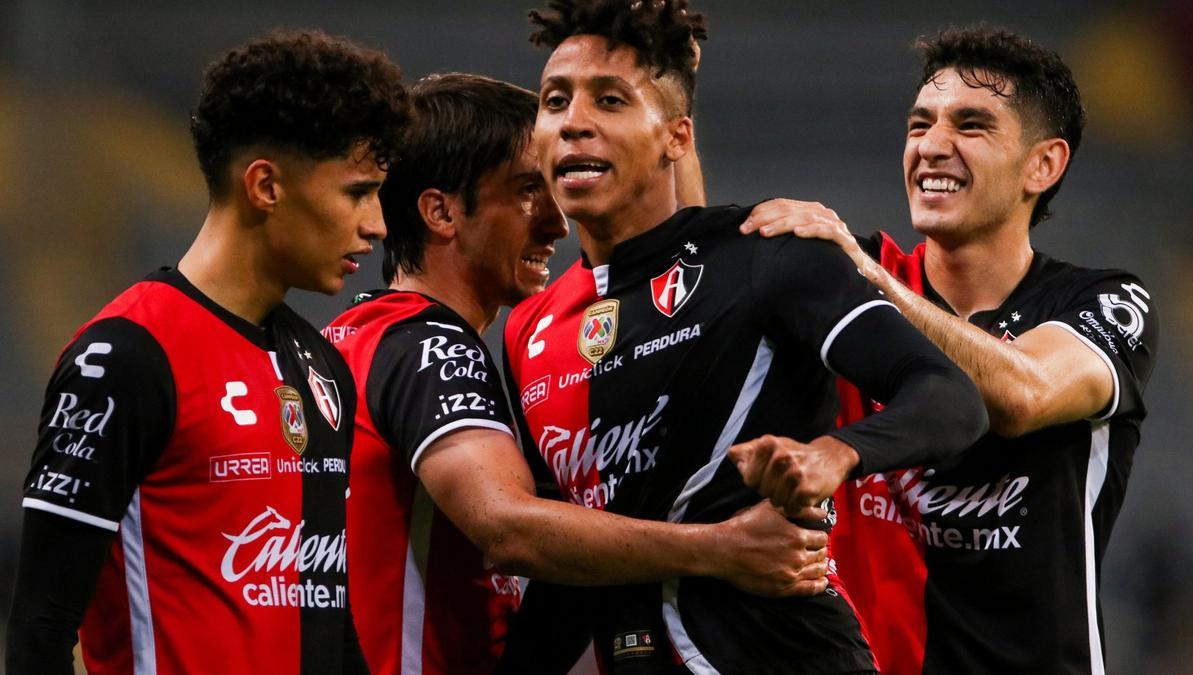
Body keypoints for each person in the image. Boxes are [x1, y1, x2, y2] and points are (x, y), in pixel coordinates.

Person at [502, 1, 989, 672]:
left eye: (609, 100)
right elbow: (571, 557)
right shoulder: (531, 328)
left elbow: (949, 396)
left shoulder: (766, 253)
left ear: (675, 136)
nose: (573, 122)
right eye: (555, 101)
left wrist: (832, 454)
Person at [322, 72, 830, 675]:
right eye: (526, 192)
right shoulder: (430, 346)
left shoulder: (349, 341)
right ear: (441, 212)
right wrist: (721, 549)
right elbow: (507, 528)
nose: (558, 224)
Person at [744, 25, 1159, 674]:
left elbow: (1023, 395)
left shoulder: (1106, 301)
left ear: (1042, 164)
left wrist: (868, 281)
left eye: (971, 125)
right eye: (919, 124)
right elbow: (702, 282)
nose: (932, 146)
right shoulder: (853, 285)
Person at [5, 30, 409, 674]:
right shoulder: (124, 356)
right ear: (266, 185)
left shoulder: (322, 367)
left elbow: (332, 625)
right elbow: (39, 627)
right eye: (358, 191)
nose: (378, 224)